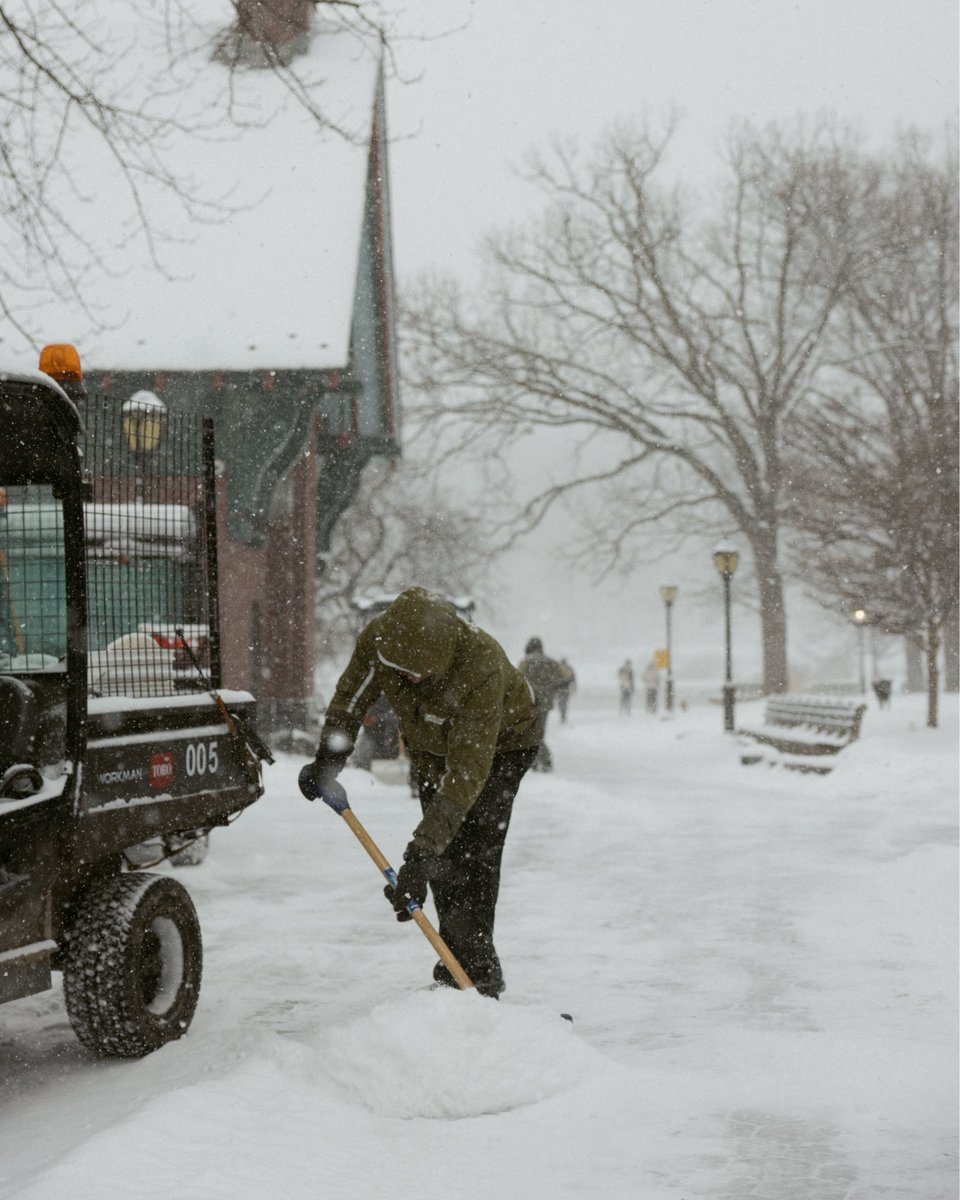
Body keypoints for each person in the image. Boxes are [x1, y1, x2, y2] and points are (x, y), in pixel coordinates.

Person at [298, 588, 541, 999]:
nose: (407, 680)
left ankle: (478, 977)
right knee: (444, 860)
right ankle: (456, 971)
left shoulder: (480, 665)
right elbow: (349, 702)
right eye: (400, 671)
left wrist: (419, 854)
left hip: (503, 746)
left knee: (473, 852)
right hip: (431, 746)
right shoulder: (381, 642)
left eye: (417, 674)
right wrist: (328, 760)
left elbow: (466, 773)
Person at [518, 637, 567, 772]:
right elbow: (563, 678)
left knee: (532, 733)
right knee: (538, 733)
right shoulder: (551, 662)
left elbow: (518, 680)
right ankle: (539, 760)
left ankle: (541, 760)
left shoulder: (525, 662)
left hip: (531, 703)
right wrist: (550, 689)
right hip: (545, 703)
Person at [555, 658, 576, 723]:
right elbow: (573, 679)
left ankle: (562, 713)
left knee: (560, 702)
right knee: (564, 702)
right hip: (566, 688)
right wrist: (574, 687)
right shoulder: (568, 668)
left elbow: (553, 679)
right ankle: (563, 714)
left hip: (559, 689)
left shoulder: (557, 668)